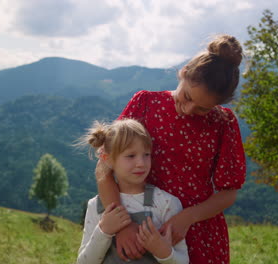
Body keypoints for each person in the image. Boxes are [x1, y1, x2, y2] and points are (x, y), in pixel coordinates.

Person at [97, 34, 246, 264]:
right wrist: (122, 227)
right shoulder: (145, 104)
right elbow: (104, 166)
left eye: (202, 109)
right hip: (140, 226)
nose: (188, 110)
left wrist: (187, 217)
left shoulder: (223, 123)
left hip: (199, 233)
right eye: (187, 96)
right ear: (184, 72)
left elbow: (229, 192)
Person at [76, 119, 189, 264]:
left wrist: (163, 251)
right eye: (131, 156)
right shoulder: (96, 206)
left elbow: (183, 261)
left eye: (146, 154)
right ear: (107, 159)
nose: (141, 163)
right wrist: (103, 231)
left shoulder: (166, 203)